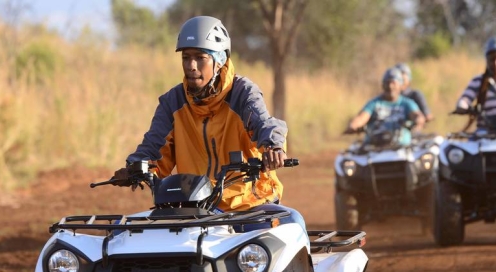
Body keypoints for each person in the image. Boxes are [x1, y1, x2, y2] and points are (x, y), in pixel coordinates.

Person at [112, 16, 305, 230]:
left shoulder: (242, 93)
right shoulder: (172, 102)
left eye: (200, 58)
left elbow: (263, 124)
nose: (191, 66)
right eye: (186, 58)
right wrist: (135, 167)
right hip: (192, 207)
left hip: (247, 206)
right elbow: (154, 148)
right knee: (137, 238)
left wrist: (273, 147)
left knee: (292, 223)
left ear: (219, 60)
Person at [346, 67, 425, 146]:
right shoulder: (374, 103)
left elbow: (416, 115)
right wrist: (353, 126)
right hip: (373, 149)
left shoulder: (407, 103)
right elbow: (361, 118)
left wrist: (418, 122)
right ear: (382, 85)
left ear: (401, 86)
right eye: (387, 83)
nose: (390, 86)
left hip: (401, 149)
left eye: (393, 83)